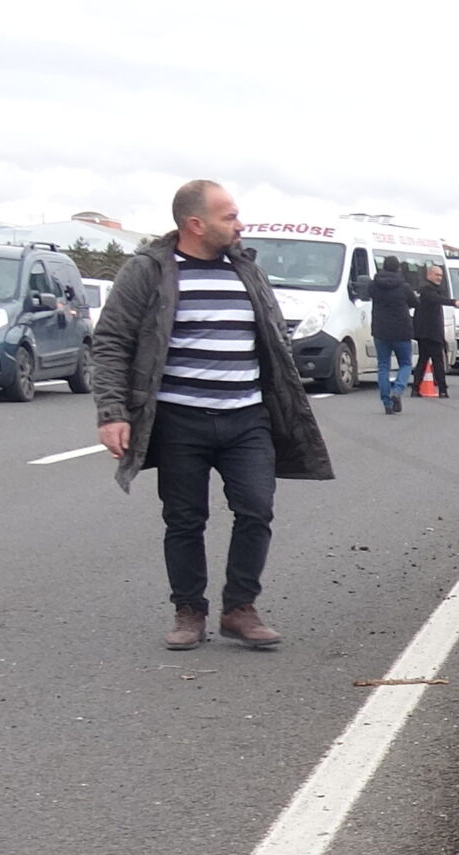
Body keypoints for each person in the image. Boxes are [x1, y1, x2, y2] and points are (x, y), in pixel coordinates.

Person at [89, 179, 331, 650]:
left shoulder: (246, 270)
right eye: (229, 217)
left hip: (246, 417)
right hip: (180, 420)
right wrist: (112, 413)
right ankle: (189, 612)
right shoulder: (149, 271)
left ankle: (240, 608)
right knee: (184, 519)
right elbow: (113, 341)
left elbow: (272, 336)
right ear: (195, 225)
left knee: (257, 510)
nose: (239, 225)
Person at [367, 257, 415, 414]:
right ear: (398, 268)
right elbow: (416, 303)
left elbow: (366, 294)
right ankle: (398, 389)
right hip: (402, 330)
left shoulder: (374, 285)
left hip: (380, 330)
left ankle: (386, 402)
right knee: (406, 363)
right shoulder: (404, 287)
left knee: (383, 366)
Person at [411, 262, 459, 398]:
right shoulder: (427, 289)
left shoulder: (430, 289)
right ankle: (442, 390)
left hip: (425, 332)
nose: (439, 278)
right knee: (437, 361)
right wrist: (454, 302)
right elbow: (436, 299)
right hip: (430, 332)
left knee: (423, 360)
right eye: (437, 275)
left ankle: (416, 389)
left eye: (441, 275)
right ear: (429, 275)